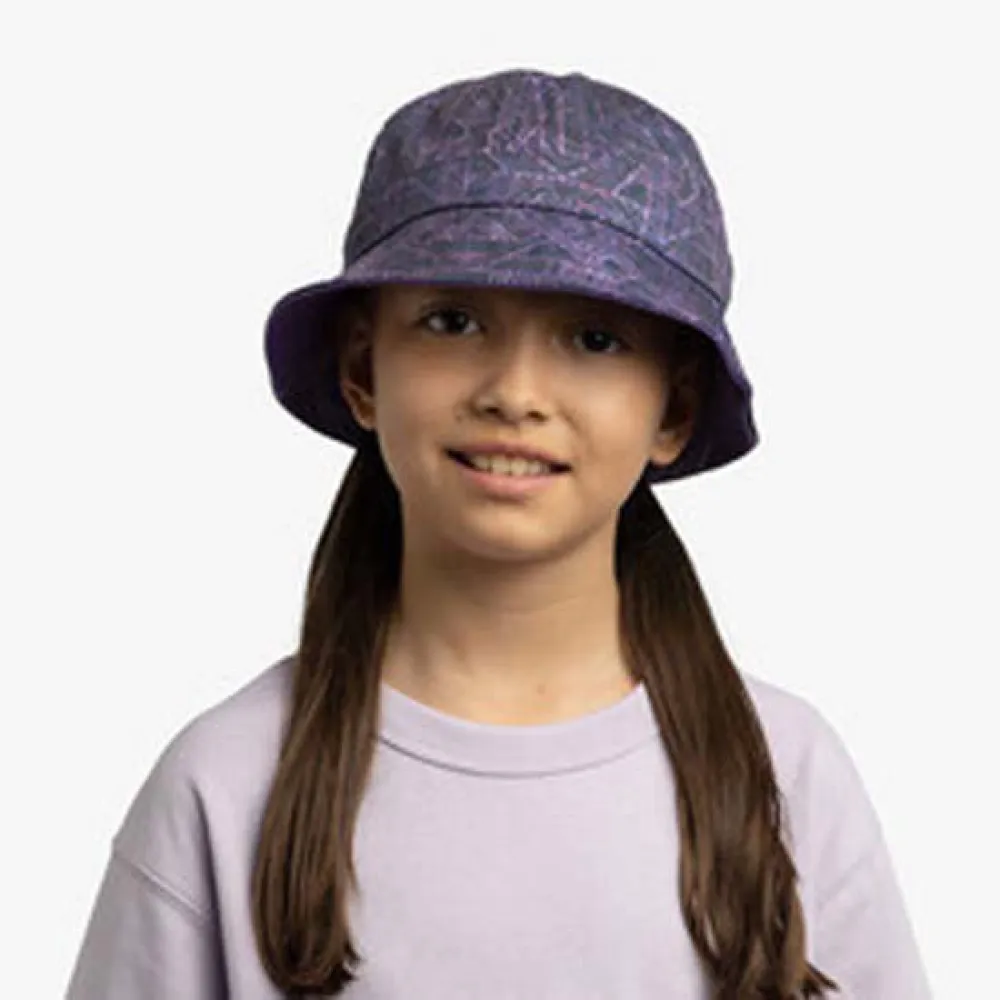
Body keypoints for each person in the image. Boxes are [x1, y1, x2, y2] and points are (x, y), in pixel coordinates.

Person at [64, 68, 933, 999]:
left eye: (594, 339)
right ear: (363, 369)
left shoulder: (788, 779)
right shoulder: (226, 785)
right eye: (453, 321)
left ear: (674, 408)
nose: (515, 393)